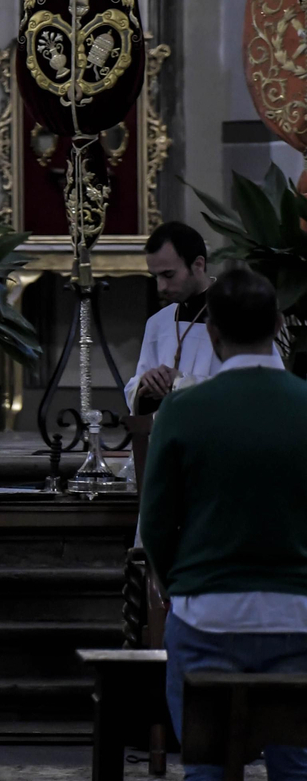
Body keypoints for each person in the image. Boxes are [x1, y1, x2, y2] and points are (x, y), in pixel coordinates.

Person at [141, 268, 307, 780]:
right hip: (299, 617)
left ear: (211, 332)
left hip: (206, 615)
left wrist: (179, 588)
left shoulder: (183, 412)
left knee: (206, 771)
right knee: (297, 771)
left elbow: (156, 524)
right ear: (277, 324)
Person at [124, 222, 273, 415]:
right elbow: (135, 389)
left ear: (198, 264)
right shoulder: (158, 322)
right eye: (155, 277)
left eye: (168, 275)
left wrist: (178, 383)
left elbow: (255, 386)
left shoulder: (238, 313)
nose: (161, 287)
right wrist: (147, 383)